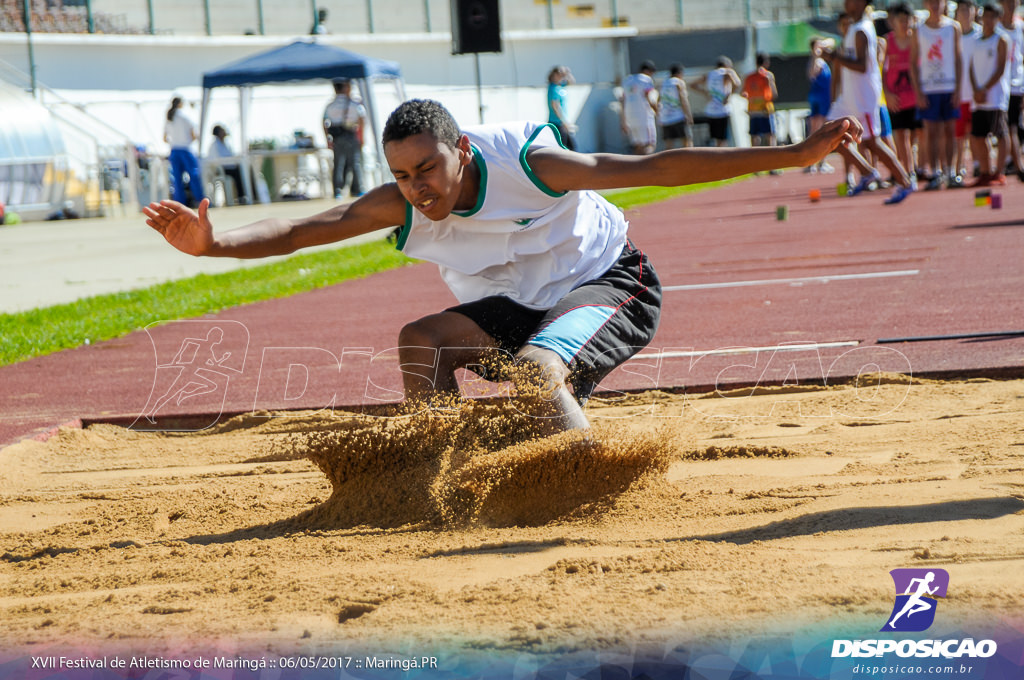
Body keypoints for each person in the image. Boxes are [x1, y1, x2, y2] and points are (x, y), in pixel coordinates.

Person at [144, 99, 860, 437]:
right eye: (401, 174)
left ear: (461, 150)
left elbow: (655, 165)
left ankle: (584, 476)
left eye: (428, 168)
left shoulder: (531, 163)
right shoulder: (403, 200)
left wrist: (791, 155)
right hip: (515, 306)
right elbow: (303, 228)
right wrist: (214, 245)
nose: (418, 187)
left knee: (540, 375)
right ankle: (436, 462)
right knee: (419, 339)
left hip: (607, 282)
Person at [825, 0, 915, 204]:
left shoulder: (861, 31)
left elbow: (862, 66)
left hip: (863, 96)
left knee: (872, 142)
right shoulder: (854, 27)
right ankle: (867, 172)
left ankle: (905, 181)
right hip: (849, 96)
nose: (845, 3)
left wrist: (835, 57)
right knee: (830, 133)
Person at [912, 0, 964, 190]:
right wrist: (918, 91)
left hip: (949, 86)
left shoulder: (953, 27)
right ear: (926, 4)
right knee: (931, 133)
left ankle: (950, 172)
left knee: (950, 131)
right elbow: (912, 62)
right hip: (929, 88)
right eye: (931, 1)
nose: (935, 5)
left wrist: (959, 88)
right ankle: (935, 173)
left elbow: (958, 58)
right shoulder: (919, 29)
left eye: (939, 1)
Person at [969, 3, 1011, 185]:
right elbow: (971, 67)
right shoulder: (976, 40)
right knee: (978, 136)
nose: (988, 20)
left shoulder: (1001, 39)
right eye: (986, 16)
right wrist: (975, 90)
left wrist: (985, 89)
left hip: (995, 97)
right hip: (978, 98)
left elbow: (1001, 67)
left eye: (992, 16)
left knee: (1000, 134)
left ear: (998, 19)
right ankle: (985, 172)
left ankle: (999, 172)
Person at [883, 3, 921, 180]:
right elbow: (881, 71)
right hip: (896, 98)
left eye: (907, 20)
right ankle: (908, 172)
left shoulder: (916, 39)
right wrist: (887, 94)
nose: (904, 24)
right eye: (900, 20)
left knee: (917, 136)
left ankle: (916, 167)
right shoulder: (887, 42)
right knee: (901, 136)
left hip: (915, 98)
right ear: (893, 22)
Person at [323, 79, 366, 199]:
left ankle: (337, 190)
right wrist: (362, 137)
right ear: (347, 87)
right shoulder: (354, 104)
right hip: (351, 134)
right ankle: (357, 189)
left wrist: (327, 139)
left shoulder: (330, 105)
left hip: (337, 136)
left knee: (338, 163)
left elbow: (324, 122)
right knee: (355, 163)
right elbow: (362, 119)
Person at [955, 0, 982, 181]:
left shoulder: (981, 35)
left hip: (976, 94)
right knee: (958, 135)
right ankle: (957, 167)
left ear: (974, 11)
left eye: (968, 9)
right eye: (961, 10)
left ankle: (979, 165)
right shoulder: (953, 34)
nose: (965, 13)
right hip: (958, 93)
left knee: (976, 132)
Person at [742, 53, 781, 174]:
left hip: (753, 110)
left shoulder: (749, 77)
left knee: (755, 138)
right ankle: (772, 166)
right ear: (766, 63)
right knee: (770, 137)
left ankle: (755, 166)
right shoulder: (767, 76)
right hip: (765, 111)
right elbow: (774, 94)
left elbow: (743, 93)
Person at [164, 96, 204, 207]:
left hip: (174, 150)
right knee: (194, 175)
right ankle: (200, 200)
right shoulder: (185, 117)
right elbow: (194, 135)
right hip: (185, 149)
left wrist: (174, 141)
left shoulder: (169, 118)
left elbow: (164, 138)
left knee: (177, 179)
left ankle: (179, 203)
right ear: (180, 104)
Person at [693, 56, 741, 147]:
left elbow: (693, 84)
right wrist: (728, 96)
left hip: (711, 110)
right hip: (722, 110)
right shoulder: (726, 73)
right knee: (723, 139)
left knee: (715, 138)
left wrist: (705, 92)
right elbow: (737, 83)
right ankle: (724, 158)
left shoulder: (709, 74)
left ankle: (717, 157)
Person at [1000, 0, 1024, 181]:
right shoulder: (996, 28)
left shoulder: (1021, 27)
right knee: (1004, 128)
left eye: (1013, 2)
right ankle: (1008, 165)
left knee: (1012, 127)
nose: (1010, 5)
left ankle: (1017, 166)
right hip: (999, 87)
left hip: (1017, 86)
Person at [807, 37, 835, 172]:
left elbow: (833, 41)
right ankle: (812, 162)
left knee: (823, 129)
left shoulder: (823, 61)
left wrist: (821, 44)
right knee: (817, 130)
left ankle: (821, 161)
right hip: (818, 98)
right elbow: (811, 74)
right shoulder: (815, 61)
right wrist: (815, 53)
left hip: (824, 98)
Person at [620, 60, 659, 154]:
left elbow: (623, 100)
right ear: (647, 71)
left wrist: (623, 121)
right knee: (650, 144)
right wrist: (657, 111)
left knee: (637, 145)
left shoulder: (627, 80)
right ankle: (647, 167)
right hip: (644, 116)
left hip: (630, 117)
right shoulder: (645, 79)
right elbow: (649, 97)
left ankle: (636, 167)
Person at [208, 125, 246, 205]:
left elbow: (230, 156)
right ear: (218, 133)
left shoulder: (226, 144)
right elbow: (216, 160)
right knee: (237, 172)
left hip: (228, 167)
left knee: (240, 169)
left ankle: (242, 196)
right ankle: (241, 196)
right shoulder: (214, 145)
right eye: (222, 130)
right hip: (220, 169)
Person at [658, 64, 694, 149]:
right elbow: (683, 100)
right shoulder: (678, 82)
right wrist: (689, 115)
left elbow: (658, 101)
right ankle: (689, 161)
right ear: (679, 73)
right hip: (678, 117)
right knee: (687, 143)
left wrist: (660, 115)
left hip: (666, 119)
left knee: (669, 145)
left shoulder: (663, 84)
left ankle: (669, 162)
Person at [547, 65, 577, 151]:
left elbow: (572, 82)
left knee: (571, 148)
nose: (562, 76)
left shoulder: (560, 86)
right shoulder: (553, 88)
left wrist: (567, 73)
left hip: (562, 123)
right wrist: (564, 122)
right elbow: (555, 106)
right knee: (563, 148)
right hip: (557, 123)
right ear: (555, 74)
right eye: (560, 73)